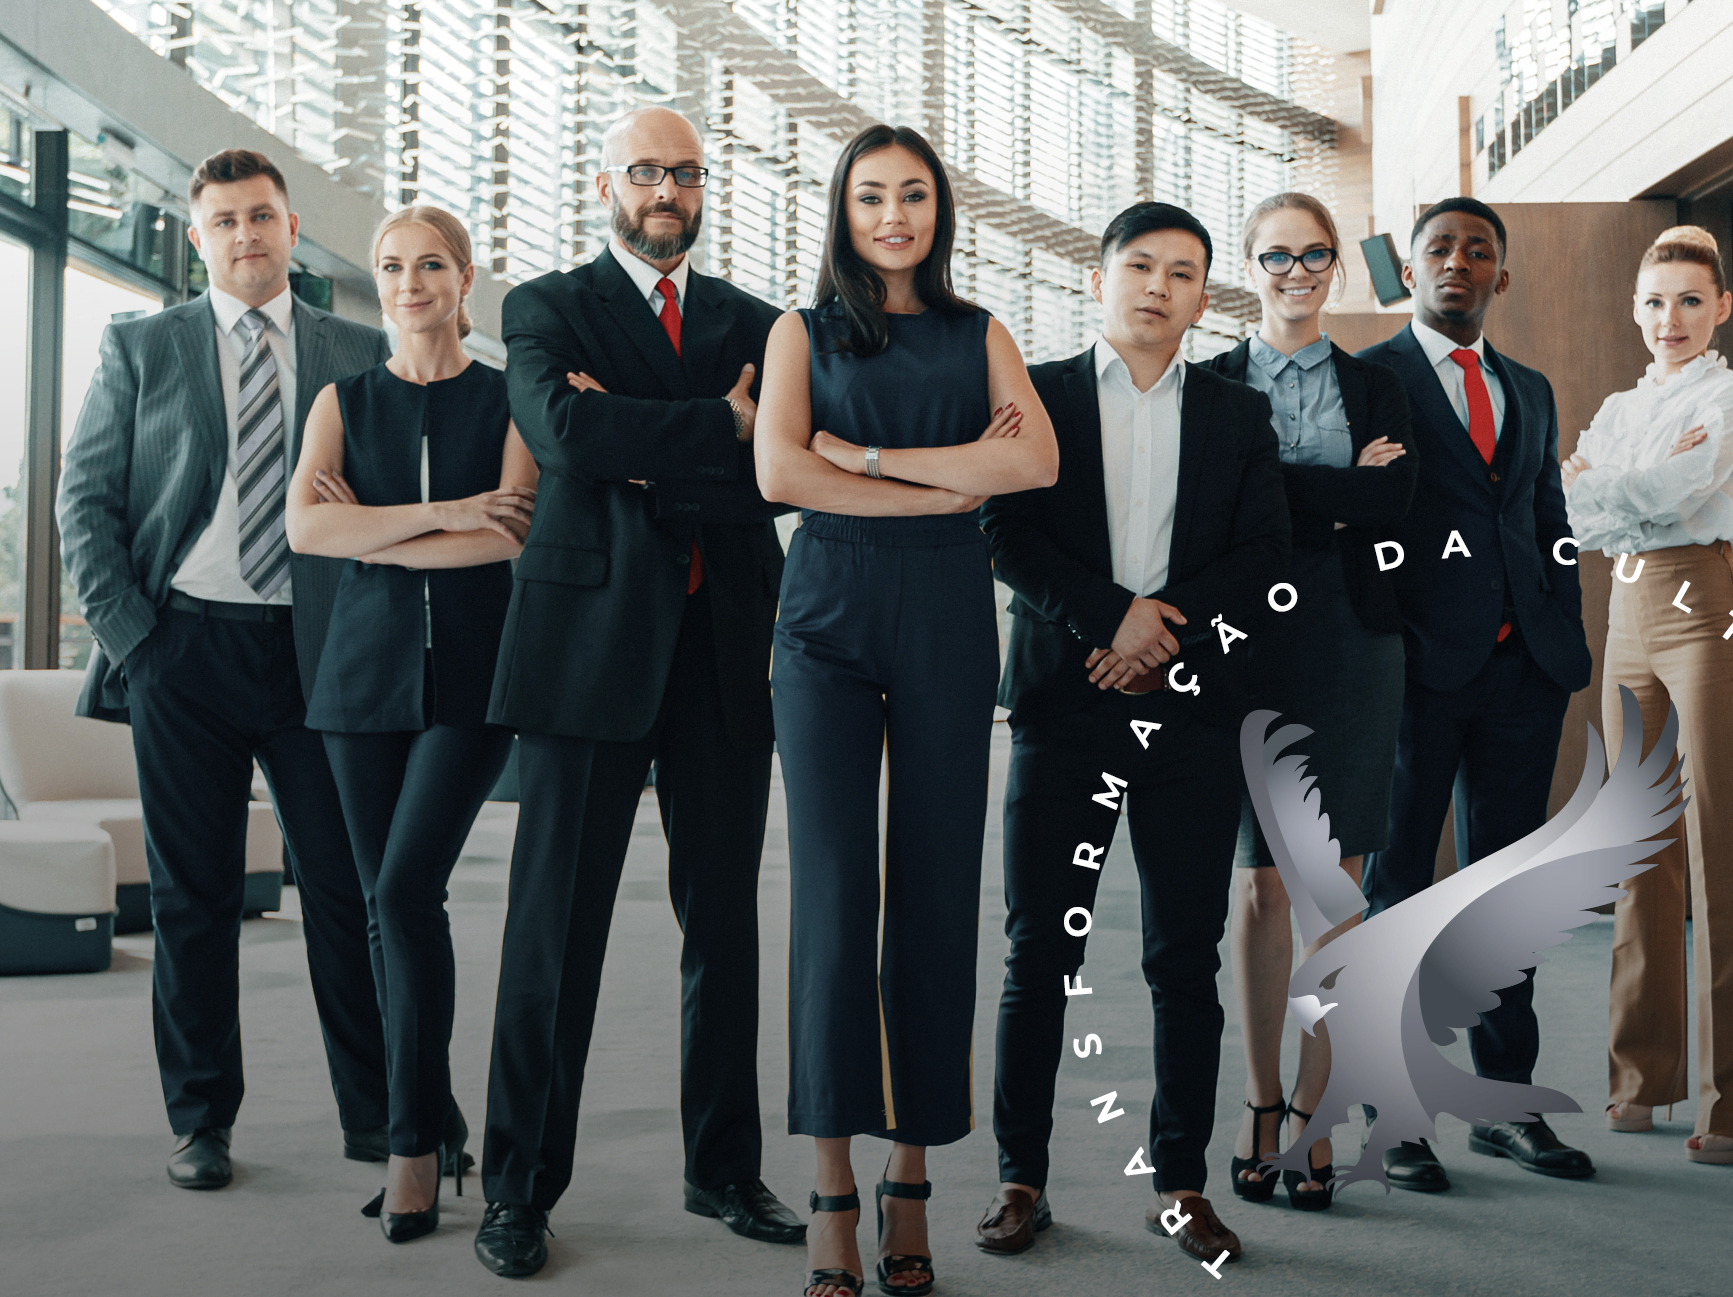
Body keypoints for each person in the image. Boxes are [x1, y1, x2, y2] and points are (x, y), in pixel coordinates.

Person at [472, 106, 803, 1279]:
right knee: (552, 933)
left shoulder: (758, 323)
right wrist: (715, 422)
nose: (668, 191)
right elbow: (563, 434)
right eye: (648, 171)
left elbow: (776, 471)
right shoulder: (544, 307)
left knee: (725, 929)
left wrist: (644, 438)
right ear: (607, 182)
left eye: (687, 173)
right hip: (586, 653)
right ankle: (516, 1187)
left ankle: (724, 1168)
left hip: (724, 650)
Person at [756, 124, 1057, 1297]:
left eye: (915, 194)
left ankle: (910, 1175)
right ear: (843, 209)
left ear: (940, 209)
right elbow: (781, 474)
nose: (894, 216)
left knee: (935, 893)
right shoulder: (801, 331)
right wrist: (944, 478)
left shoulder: (981, 333)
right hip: (823, 621)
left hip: (943, 617)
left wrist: (872, 463)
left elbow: (1031, 465)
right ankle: (832, 1186)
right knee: (834, 899)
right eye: (872, 195)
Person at [57, 148, 391, 1191]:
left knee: (346, 888)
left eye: (262, 216)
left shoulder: (358, 348)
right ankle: (200, 1120)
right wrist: (139, 643)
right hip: (183, 650)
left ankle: (381, 1117)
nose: (246, 234)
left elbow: (388, 496)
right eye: (225, 221)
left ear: (292, 229)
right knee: (192, 897)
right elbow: (85, 503)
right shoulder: (141, 345)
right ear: (198, 238)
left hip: (317, 652)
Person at [976, 201, 1289, 1268]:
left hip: (1188, 713)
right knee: (1039, 951)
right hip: (1065, 707)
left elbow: (1265, 554)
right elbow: (1004, 528)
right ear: (1098, 278)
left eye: (1183, 272)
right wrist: (1108, 618)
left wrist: (1161, 634)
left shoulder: (1239, 415)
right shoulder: (1039, 396)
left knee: (1182, 959)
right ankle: (1020, 1178)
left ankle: (1183, 1184)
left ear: (1203, 298)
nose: (1159, 285)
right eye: (1141, 265)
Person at [285, 205, 538, 1240]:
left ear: (465, 277)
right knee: (382, 908)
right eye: (391, 266)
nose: (408, 282)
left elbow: (508, 536)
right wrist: (442, 512)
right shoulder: (342, 401)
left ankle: (411, 1149)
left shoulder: (508, 396)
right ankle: (433, 1122)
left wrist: (373, 532)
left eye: (430, 264)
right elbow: (308, 527)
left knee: (402, 890)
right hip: (360, 684)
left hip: (475, 681)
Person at [1356, 196, 1595, 1189]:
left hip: (1520, 674)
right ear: (1410, 270)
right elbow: (1355, 526)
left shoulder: (1528, 387)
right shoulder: (1368, 378)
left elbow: (1546, 515)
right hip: (1413, 675)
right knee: (1398, 890)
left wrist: (1557, 624)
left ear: (1501, 274)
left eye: (1479, 249)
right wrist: (1387, 643)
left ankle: (1506, 1103)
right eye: (1440, 247)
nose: (1459, 261)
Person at [1204, 192, 1415, 1212]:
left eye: (1315, 254)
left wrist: (1278, 488)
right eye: (1277, 255)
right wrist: (1332, 490)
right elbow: (1217, 510)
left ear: (1336, 264)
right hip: (1248, 639)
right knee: (1260, 885)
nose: (1297, 271)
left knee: (1337, 887)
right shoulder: (1211, 384)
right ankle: (1259, 1100)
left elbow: (1391, 503)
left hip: (1352, 638)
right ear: (1248, 267)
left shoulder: (1378, 387)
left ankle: (1313, 1110)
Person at [1561, 225, 1733, 1166]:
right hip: (1629, 606)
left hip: (1705, 602)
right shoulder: (1618, 406)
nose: (1670, 318)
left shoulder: (1732, 393)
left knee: (1720, 839)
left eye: (1689, 300)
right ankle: (1640, 1076)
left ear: (1720, 306)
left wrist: (1610, 485)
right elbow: (1573, 510)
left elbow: (1683, 493)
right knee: (1636, 844)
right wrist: (1622, 489)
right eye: (1654, 301)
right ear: (1635, 310)